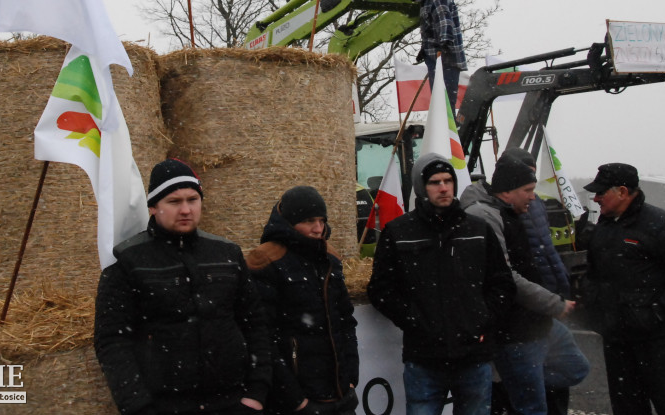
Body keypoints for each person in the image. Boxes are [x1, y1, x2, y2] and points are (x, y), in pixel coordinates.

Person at [94, 158, 272, 415]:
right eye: (174, 202)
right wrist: (138, 406)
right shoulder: (128, 262)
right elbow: (112, 341)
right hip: (164, 406)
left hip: (232, 402)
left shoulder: (227, 254)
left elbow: (255, 324)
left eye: (193, 199)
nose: (186, 209)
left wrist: (257, 392)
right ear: (154, 207)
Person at [368, 153, 515, 415]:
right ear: (421, 188)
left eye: (448, 180)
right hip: (424, 359)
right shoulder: (399, 232)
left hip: (473, 357)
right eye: (435, 182)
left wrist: (482, 319)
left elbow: (502, 284)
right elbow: (381, 289)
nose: (444, 187)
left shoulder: (478, 229)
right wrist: (414, 320)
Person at [462, 152, 589, 415]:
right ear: (507, 191)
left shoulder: (514, 211)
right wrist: (553, 303)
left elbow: (541, 253)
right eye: (528, 189)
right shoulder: (485, 216)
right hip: (516, 329)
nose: (534, 196)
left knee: (577, 368)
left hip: (538, 320)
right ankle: (515, 384)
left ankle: (516, 384)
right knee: (532, 407)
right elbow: (507, 276)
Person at [581, 163, 665, 415]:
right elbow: (594, 274)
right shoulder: (604, 227)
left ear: (623, 192)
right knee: (627, 409)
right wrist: (594, 308)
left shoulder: (661, 225)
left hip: (660, 343)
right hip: (617, 340)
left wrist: (656, 314)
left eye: (601, 192)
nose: (595, 198)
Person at [246, 186, 359, 415]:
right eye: (309, 221)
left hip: (339, 394)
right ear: (289, 222)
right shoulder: (265, 260)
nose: (318, 229)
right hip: (296, 400)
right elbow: (263, 337)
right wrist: (295, 399)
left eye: (321, 220)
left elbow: (345, 321)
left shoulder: (331, 257)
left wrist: (350, 378)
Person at [404, 0, 467, 109]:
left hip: (446, 59)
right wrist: (424, 49)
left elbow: (444, 22)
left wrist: (445, 44)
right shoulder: (426, 2)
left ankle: (448, 128)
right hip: (435, 58)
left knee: (445, 102)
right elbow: (430, 29)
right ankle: (445, 125)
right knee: (439, 101)